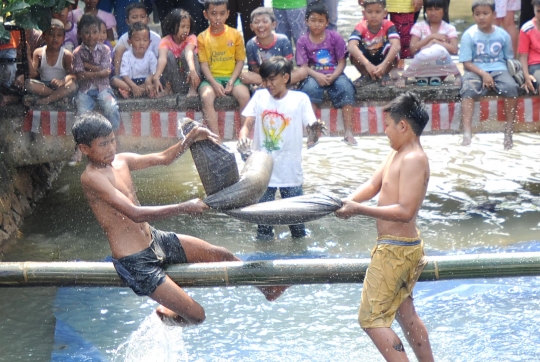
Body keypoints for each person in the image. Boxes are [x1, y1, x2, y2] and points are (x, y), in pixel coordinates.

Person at [72, 112, 287, 324]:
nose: (111, 148)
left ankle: (268, 288)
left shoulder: (121, 161)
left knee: (221, 254)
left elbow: (164, 158)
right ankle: (168, 307)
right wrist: (185, 206)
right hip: (135, 261)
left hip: (154, 239)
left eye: (112, 140)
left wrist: (190, 138)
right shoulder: (91, 178)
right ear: (84, 149)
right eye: (103, 144)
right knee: (197, 316)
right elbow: (135, 213)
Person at [335, 92, 434, 362]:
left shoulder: (414, 158)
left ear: (403, 126)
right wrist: (346, 201)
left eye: (388, 125)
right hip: (399, 248)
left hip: (396, 251)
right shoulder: (397, 152)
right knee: (405, 313)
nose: (385, 131)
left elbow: (405, 211)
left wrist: (358, 210)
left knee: (371, 319)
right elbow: (372, 185)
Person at [238, 57, 317, 240]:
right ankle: (263, 263)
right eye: (264, 80)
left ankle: (300, 262)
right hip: (263, 173)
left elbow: (312, 132)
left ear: (285, 77)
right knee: (263, 229)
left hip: (291, 171)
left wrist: (315, 133)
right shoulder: (259, 96)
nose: (267, 84)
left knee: (298, 228)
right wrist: (242, 137)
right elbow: (247, 124)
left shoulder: (300, 99)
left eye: (271, 79)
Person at [296, 1, 358, 146]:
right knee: (309, 90)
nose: (317, 24)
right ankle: (312, 132)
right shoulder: (302, 41)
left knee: (346, 88)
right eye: (313, 20)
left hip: (334, 73)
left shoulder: (335, 37)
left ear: (327, 22)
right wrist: (317, 75)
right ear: (306, 21)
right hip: (313, 75)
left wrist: (335, 75)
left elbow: (342, 62)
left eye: (321, 21)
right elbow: (304, 67)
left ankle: (348, 131)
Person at [459, 0, 518, 149]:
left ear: (494, 15)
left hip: (499, 68)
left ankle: (508, 130)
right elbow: (466, 62)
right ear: (473, 16)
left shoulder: (503, 35)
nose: (481, 17)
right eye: (477, 14)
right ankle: (467, 132)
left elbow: (508, 59)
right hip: (475, 69)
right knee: (467, 89)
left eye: (485, 13)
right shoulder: (469, 35)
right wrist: (484, 74)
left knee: (511, 88)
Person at [198, 0, 251, 140]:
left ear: (228, 14)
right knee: (206, 97)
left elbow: (240, 60)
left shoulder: (235, 34)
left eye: (222, 13)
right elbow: (203, 65)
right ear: (205, 14)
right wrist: (214, 83)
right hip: (211, 79)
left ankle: (244, 136)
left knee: (245, 96)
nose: (218, 18)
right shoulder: (202, 37)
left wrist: (232, 81)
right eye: (213, 13)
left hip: (232, 77)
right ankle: (216, 138)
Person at [72, 14, 121, 162]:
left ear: (100, 33)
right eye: (86, 32)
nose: (91, 35)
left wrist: (88, 68)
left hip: (103, 88)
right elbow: (80, 75)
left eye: (94, 32)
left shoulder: (105, 49)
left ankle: (113, 140)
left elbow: (107, 71)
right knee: (82, 114)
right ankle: (79, 148)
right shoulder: (77, 52)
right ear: (80, 33)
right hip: (85, 90)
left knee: (111, 107)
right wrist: (98, 71)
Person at [241, 7, 307, 87]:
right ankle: (275, 84)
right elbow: (254, 68)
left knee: (302, 72)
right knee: (243, 76)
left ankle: (272, 83)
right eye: (256, 22)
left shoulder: (283, 40)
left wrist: (276, 75)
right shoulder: (251, 44)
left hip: (281, 74)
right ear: (251, 26)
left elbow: (288, 65)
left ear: (274, 24)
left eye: (265, 21)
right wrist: (268, 76)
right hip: (263, 76)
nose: (260, 25)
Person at [402, 0, 460, 86]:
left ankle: (457, 75)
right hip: (421, 68)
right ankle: (404, 77)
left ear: (444, 10)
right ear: (425, 10)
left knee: (439, 50)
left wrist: (435, 42)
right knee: (425, 52)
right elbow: (413, 49)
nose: (433, 12)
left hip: (441, 71)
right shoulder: (419, 26)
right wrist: (431, 37)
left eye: (437, 9)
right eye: (429, 9)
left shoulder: (449, 28)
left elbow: (455, 50)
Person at [348, 0, 402, 87]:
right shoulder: (361, 26)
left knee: (392, 47)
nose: (373, 15)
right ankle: (365, 75)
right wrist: (367, 64)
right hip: (367, 59)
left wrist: (384, 65)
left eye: (378, 12)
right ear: (364, 13)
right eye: (369, 12)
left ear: (385, 13)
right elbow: (351, 46)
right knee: (353, 50)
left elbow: (396, 45)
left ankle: (384, 74)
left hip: (384, 60)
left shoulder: (389, 25)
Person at [24, 19, 77, 107]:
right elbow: (32, 73)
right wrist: (28, 55)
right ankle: (57, 97)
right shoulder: (38, 52)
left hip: (61, 86)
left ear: (63, 38)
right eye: (51, 35)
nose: (55, 39)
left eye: (59, 35)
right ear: (44, 36)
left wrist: (62, 81)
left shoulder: (66, 54)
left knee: (72, 85)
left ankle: (45, 100)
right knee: (28, 83)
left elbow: (73, 75)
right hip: (44, 86)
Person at [153, 8, 201, 98]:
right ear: (173, 26)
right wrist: (156, 76)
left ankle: (193, 89)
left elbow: (188, 52)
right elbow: (162, 58)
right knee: (168, 55)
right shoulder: (165, 40)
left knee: (186, 54)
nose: (186, 30)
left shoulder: (191, 38)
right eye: (182, 27)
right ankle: (168, 89)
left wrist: (192, 70)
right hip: (176, 82)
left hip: (191, 78)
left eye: (188, 27)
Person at [113, 2, 161, 80]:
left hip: (151, 77)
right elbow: (116, 55)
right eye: (134, 17)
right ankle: (119, 78)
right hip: (129, 77)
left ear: (148, 20)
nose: (139, 20)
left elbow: (159, 59)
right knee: (119, 48)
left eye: (142, 17)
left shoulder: (155, 37)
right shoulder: (124, 38)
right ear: (127, 21)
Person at [112, 22, 157, 99]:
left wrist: (148, 79)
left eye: (145, 40)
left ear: (149, 42)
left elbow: (154, 72)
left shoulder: (150, 55)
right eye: (137, 40)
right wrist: (133, 86)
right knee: (114, 80)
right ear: (130, 42)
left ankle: (130, 92)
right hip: (130, 81)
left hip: (145, 81)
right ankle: (141, 91)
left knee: (160, 80)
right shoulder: (127, 55)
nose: (141, 43)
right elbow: (124, 74)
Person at [518, 0, 540, 95]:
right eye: (539, 11)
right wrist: (526, 76)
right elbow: (523, 56)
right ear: (534, 10)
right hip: (535, 65)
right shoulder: (526, 29)